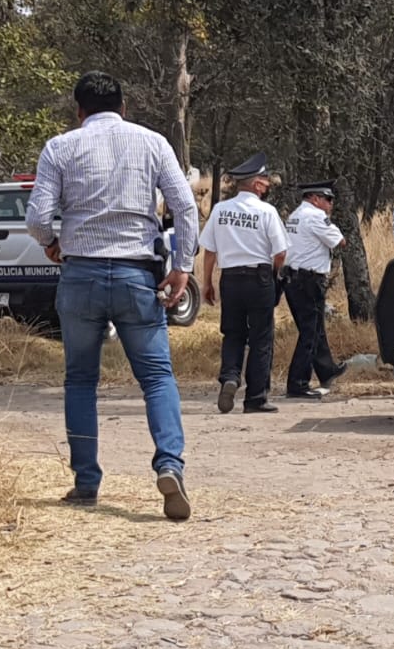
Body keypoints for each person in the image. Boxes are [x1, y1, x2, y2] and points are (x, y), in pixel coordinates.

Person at [25, 71, 198, 521]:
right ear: (123, 107)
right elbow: (185, 206)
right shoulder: (152, 142)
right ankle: (169, 464)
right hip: (136, 273)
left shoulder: (60, 147)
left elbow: (38, 216)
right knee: (157, 376)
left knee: (80, 380)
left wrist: (51, 243)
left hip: (80, 274)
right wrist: (182, 266)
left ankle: (86, 482)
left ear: (79, 111)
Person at [199, 153, 289, 415]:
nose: (268, 185)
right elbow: (281, 253)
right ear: (256, 184)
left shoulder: (220, 210)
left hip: (230, 278)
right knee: (261, 337)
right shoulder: (267, 211)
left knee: (233, 333)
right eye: (266, 180)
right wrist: (273, 275)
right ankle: (256, 398)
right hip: (259, 277)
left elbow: (209, 251)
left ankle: (229, 376)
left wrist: (207, 283)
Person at [283, 181, 348, 400]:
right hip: (309, 280)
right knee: (309, 332)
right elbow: (340, 241)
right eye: (328, 200)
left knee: (315, 328)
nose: (331, 205)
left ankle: (326, 369)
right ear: (315, 199)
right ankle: (297, 383)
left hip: (293, 279)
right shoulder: (315, 216)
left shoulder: (295, 215)